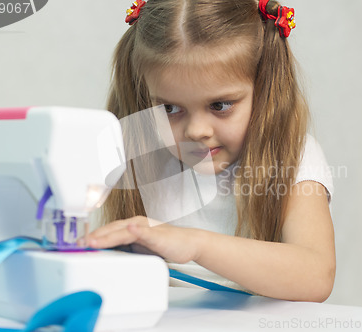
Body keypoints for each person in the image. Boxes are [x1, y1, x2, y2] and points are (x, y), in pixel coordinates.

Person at [87, 0, 335, 302]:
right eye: (170, 108)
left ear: (265, 88)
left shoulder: (295, 157)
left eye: (219, 105)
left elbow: (315, 276)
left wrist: (195, 245)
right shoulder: (142, 155)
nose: (196, 131)